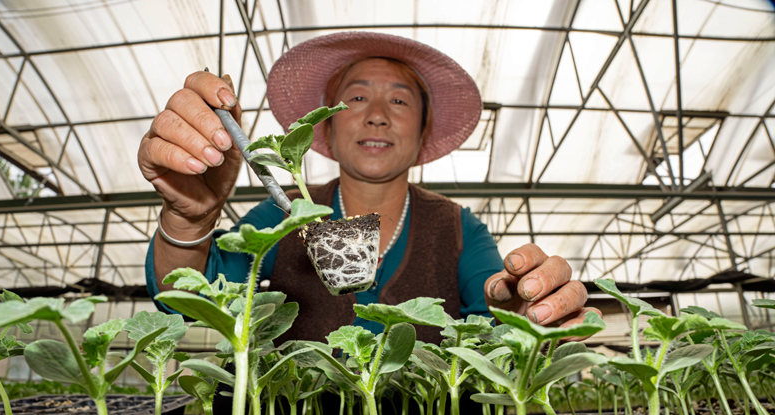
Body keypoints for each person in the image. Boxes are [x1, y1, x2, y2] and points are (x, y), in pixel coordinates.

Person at [140, 32, 598, 344]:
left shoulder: (459, 229)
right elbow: (191, 299)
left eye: (399, 100)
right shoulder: (280, 216)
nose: (377, 113)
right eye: (356, 97)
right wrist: (190, 217)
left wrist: (531, 313)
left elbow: (498, 313)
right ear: (326, 129)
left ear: (423, 132)